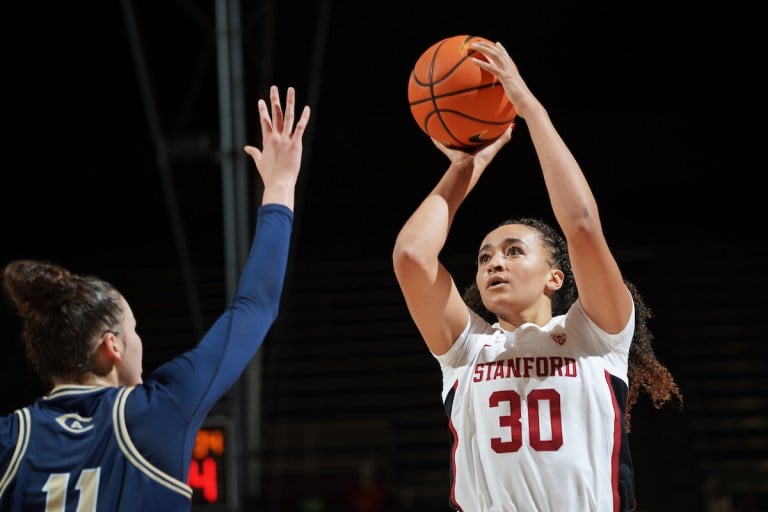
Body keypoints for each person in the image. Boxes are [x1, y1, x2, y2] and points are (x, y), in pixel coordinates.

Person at [392, 40, 682, 511]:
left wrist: (529, 108)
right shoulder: (467, 351)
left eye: (512, 251)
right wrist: (468, 165)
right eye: (484, 258)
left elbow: (583, 225)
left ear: (554, 276)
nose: (494, 264)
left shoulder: (596, 339)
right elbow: (411, 256)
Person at [0, 85, 310, 510]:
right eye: (134, 330)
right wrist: (280, 185)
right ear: (112, 345)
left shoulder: (10, 438)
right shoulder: (158, 412)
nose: (140, 343)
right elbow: (255, 305)